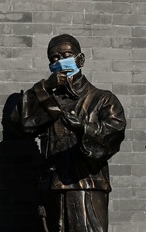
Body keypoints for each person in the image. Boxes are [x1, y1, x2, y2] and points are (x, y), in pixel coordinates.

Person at [7, 34, 126, 231]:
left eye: (67, 55)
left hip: (86, 186)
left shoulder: (102, 99)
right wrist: (45, 87)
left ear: (80, 59)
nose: (60, 61)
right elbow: (22, 124)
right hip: (52, 187)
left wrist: (84, 127)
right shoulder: (48, 100)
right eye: (54, 58)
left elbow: (115, 132)